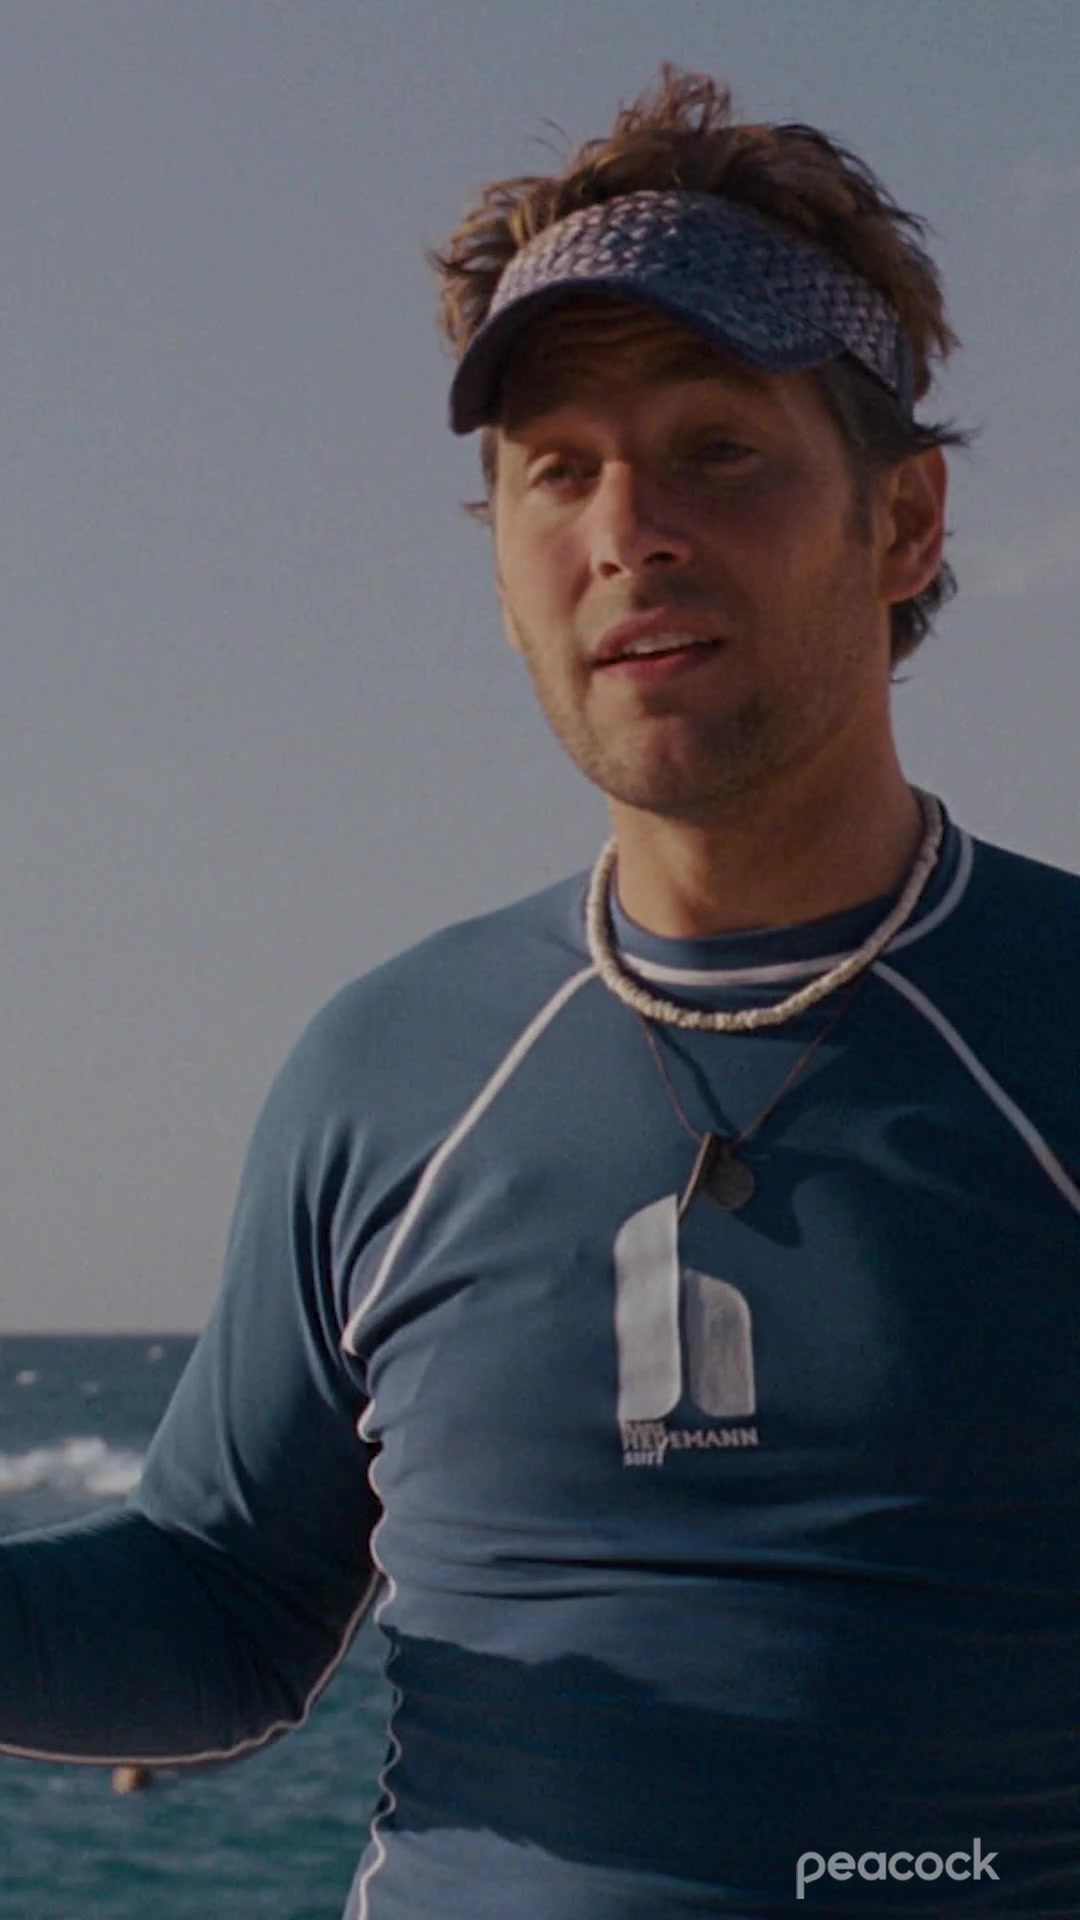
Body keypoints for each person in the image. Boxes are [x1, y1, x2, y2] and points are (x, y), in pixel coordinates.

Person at [2, 63, 1078, 1919]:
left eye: (716, 448)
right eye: (556, 471)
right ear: (502, 569)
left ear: (903, 521)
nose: (625, 528)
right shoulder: (387, 1071)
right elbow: (220, 1607)